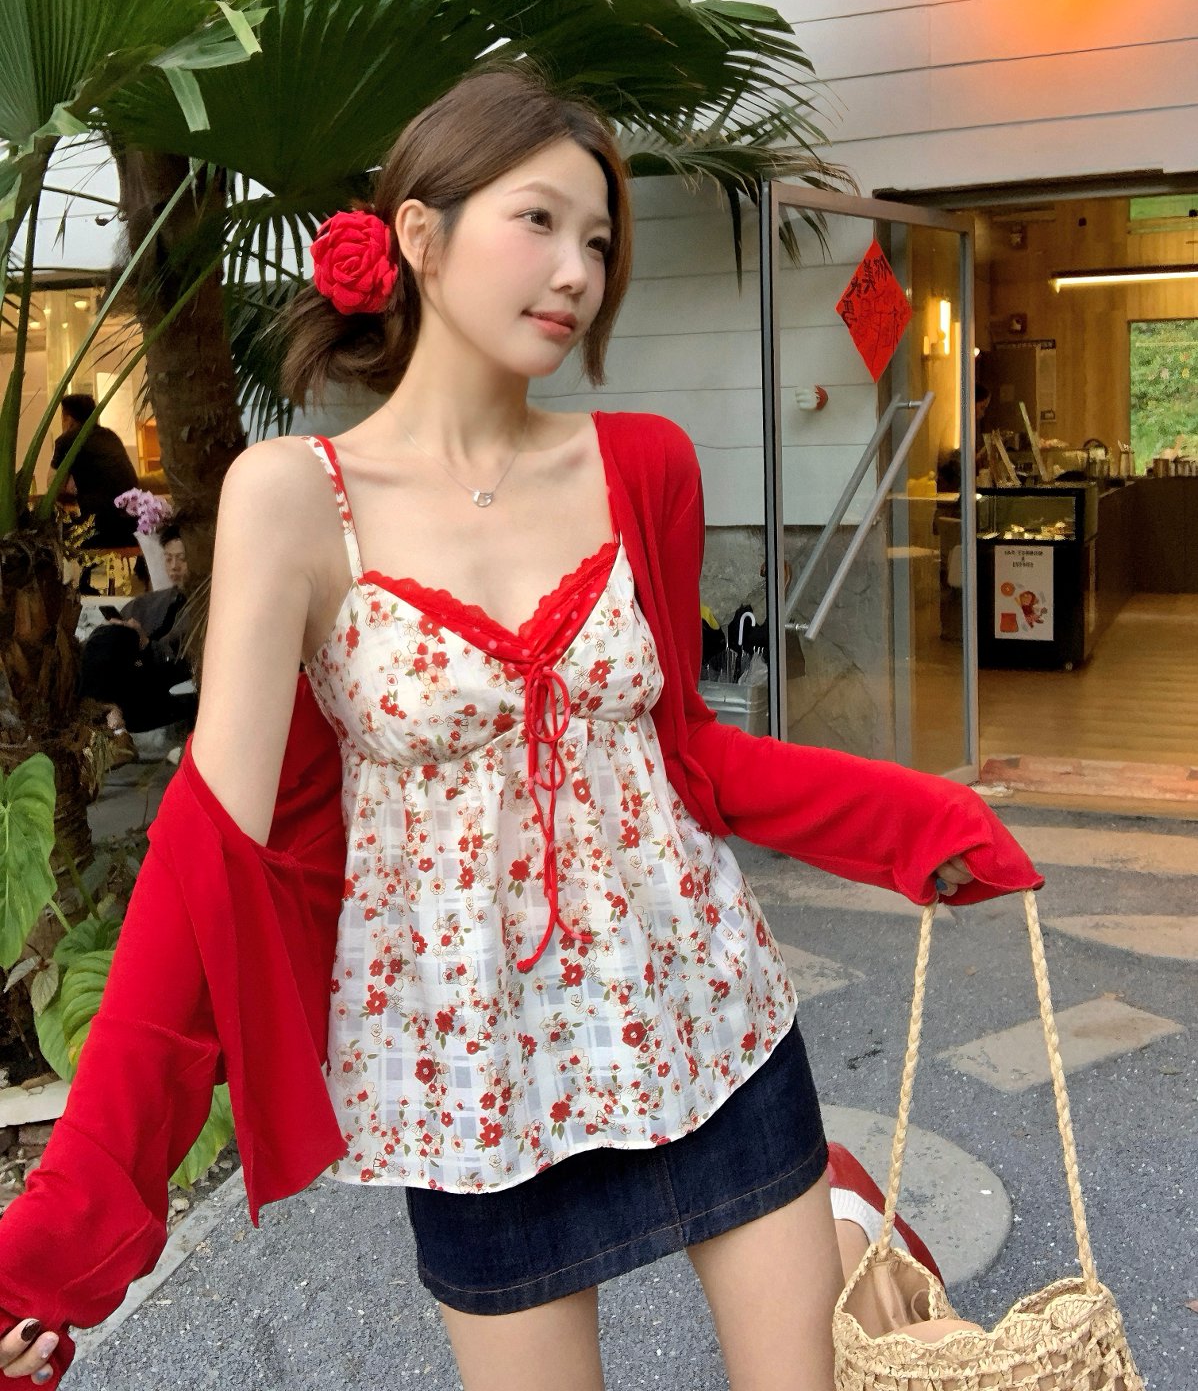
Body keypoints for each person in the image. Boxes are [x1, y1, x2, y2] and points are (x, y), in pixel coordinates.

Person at [0, 68, 1041, 1391]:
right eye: (539, 221)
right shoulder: (293, 497)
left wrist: (914, 819)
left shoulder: (643, 463)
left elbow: (688, 759)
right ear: (419, 235)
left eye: (598, 239)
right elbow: (209, 856)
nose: (577, 272)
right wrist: (63, 1242)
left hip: (703, 1020)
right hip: (469, 1082)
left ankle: (824, 1208)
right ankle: (840, 1217)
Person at [79, 525, 195, 738]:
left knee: (115, 637)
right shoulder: (149, 602)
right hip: (131, 677)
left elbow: (183, 659)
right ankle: (105, 712)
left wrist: (144, 643)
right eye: (168, 559)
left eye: (181, 558)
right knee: (109, 635)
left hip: (161, 682)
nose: (174, 566)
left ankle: (108, 717)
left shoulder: (203, 608)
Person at [50, 394, 139, 549]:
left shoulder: (67, 440)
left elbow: (53, 486)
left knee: (51, 534)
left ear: (68, 418)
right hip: (133, 524)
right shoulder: (110, 436)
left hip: (99, 528)